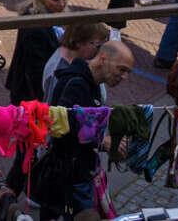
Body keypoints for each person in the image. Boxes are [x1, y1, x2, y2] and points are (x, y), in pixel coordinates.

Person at [33, 40, 133, 221]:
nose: (124, 77)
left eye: (128, 72)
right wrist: (103, 141)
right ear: (103, 58)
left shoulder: (92, 83)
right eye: (122, 69)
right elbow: (62, 126)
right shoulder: (76, 84)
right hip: (68, 179)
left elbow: (85, 121)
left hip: (78, 174)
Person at [5, 0, 70, 104]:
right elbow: (35, 70)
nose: (62, 4)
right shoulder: (35, 27)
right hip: (30, 93)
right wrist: (44, 99)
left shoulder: (51, 16)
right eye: (56, 0)